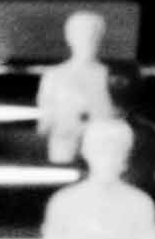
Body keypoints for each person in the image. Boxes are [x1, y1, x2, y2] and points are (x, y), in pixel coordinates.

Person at [35, 10, 115, 165]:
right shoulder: (53, 75)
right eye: (81, 35)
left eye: (92, 36)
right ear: (69, 38)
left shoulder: (108, 75)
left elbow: (114, 115)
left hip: (99, 145)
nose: (87, 41)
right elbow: (44, 122)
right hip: (64, 143)